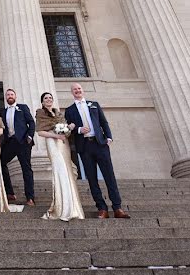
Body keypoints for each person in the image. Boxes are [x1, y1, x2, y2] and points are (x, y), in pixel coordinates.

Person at [64, 83, 130, 219]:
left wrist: (109, 137)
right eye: (75, 89)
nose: (77, 91)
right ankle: (102, 208)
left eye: (79, 89)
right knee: (92, 179)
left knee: (109, 176)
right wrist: (78, 130)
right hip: (84, 147)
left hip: (100, 144)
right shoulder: (69, 110)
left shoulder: (94, 104)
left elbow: (103, 122)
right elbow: (69, 128)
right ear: (72, 92)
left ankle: (117, 207)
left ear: (82, 91)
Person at [36, 92, 84, 221]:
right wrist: (56, 136)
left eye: (50, 98)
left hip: (63, 143)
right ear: (42, 102)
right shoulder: (40, 113)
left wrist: (69, 127)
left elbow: (66, 132)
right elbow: (40, 132)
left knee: (67, 170)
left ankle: (72, 206)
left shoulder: (58, 113)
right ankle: (61, 205)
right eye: (46, 98)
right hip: (52, 142)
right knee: (60, 169)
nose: (48, 100)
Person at [0, 88, 36, 206]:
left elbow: (31, 122)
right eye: (8, 95)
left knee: (26, 169)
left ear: (15, 96)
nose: (10, 96)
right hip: (10, 142)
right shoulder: (3, 112)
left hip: (23, 142)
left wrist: (29, 137)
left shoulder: (22, 107)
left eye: (11, 94)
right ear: (6, 98)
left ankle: (30, 197)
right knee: (1, 162)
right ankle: (10, 193)